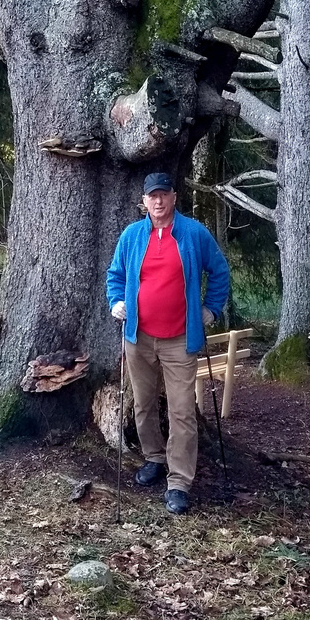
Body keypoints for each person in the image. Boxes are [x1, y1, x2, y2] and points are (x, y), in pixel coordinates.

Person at [106, 172, 229, 515]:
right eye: (152, 196)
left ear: (174, 197)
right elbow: (115, 274)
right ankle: (154, 458)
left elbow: (219, 271)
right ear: (144, 201)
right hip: (139, 336)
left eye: (164, 194)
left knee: (181, 411)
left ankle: (179, 482)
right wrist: (116, 300)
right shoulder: (132, 235)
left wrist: (210, 309)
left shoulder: (193, 233)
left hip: (180, 339)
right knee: (144, 405)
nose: (158, 201)